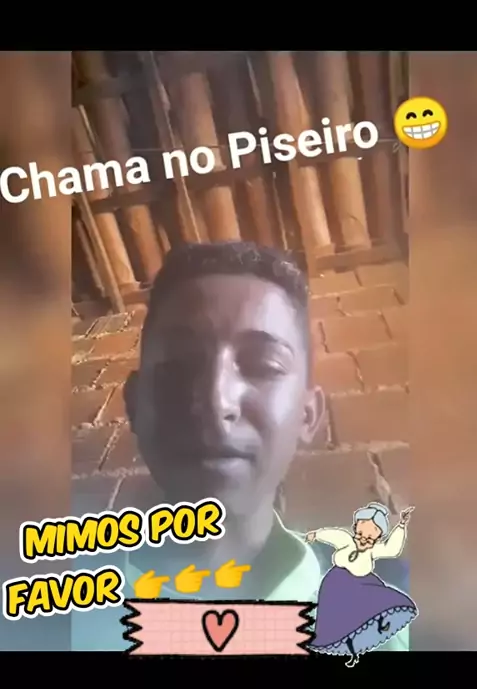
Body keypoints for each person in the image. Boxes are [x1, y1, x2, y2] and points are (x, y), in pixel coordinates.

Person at [70, 242, 409, 652]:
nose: (217, 401)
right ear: (136, 404)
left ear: (308, 415)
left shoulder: (383, 623)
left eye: (263, 365)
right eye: (179, 365)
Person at [306, 503, 418, 667]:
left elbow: (392, 549)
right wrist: (316, 535)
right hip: (336, 583)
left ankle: (367, 636)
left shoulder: (374, 550)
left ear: (378, 535)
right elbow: (333, 535)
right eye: (361, 531)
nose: (365, 537)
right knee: (337, 620)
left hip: (362, 584)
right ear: (356, 527)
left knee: (373, 607)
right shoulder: (346, 540)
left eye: (372, 533)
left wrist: (401, 526)